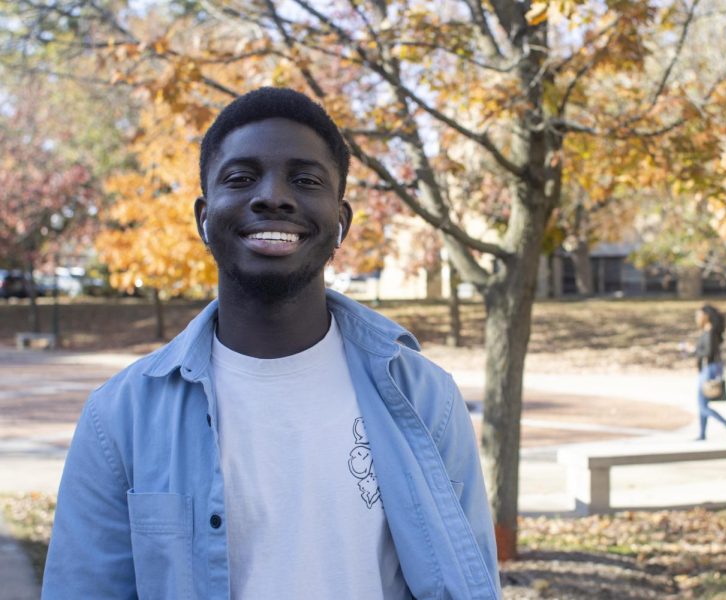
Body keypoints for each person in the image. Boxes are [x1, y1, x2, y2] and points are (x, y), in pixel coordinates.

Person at [42, 87, 500, 599]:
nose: (273, 196)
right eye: (240, 178)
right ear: (203, 218)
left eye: (305, 180)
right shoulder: (120, 416)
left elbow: (468, 580)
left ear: (341, 222)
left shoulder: (426, 400)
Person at [682, 304, 726, 441]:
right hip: (710, 369)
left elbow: (708, 352)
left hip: (709, 370)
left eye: (698, 315)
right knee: (702, 404)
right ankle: (702, 434)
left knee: (702, 405)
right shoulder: (709, 331)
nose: (697, 318)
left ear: (706, 316)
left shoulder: (710, 332)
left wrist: (692, 350)